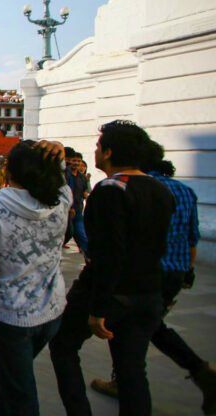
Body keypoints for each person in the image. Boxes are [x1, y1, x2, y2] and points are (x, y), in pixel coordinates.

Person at [49, 121, 173, 416]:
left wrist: (98, 307)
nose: (95, 150)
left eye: (98, 145)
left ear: (109, 152)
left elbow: (109, 254)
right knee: (131, 369)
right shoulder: (161, 189)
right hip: (148, 290)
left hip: (110, 292)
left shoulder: (109, 190)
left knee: (64, 347)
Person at [89, 141, 216, 412]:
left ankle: (129, 380)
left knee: (134, 332)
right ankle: (199, 371)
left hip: (143, 274)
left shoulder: (135, 188)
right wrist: (187, 271)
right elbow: (192, 237)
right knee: (152, 326)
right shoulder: (184, 190)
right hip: (175, 270)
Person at [0, 140, 71, 415]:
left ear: (9, 170)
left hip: (9, 312)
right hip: (52, 309)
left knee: (20, 391)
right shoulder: (61, 201)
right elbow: (63, 183)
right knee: (14, 378)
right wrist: (58, 158)